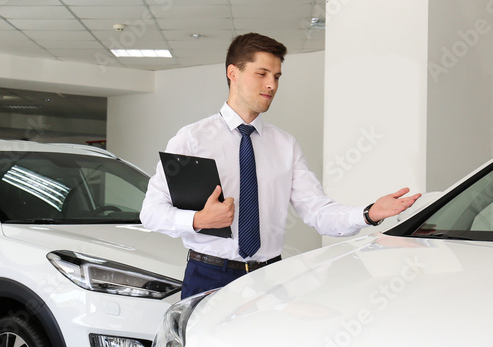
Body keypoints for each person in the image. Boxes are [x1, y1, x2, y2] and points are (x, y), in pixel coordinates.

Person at [141, 33, 420, 299]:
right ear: (233, 73)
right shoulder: (192, 139)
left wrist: (368, 213)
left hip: (269, 278)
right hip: (208, 277)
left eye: (276, 77)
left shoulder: (285, 145)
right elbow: (151, 212)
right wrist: (198, 220)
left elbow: (317, 211)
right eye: (261, 74)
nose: (271, 85)